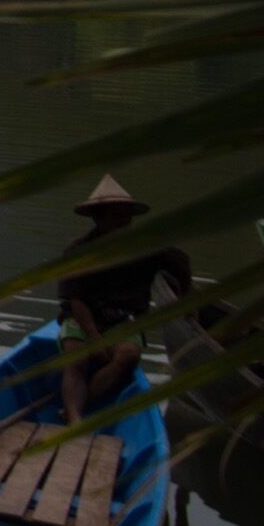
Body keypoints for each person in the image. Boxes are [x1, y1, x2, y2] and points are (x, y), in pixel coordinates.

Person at [56, 175, 191, 424]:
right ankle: (75, 419)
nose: (123, 221)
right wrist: (95, 339)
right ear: (99, 218)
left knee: (127, 357)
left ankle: (75, 409)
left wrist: (186, 301)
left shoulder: (147, 246)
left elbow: (181, 264)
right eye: (115, 216)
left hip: (125, 319)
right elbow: (75, 300)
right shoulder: (78, 252)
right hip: (84, 316)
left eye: (126, 215)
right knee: (77, 358)